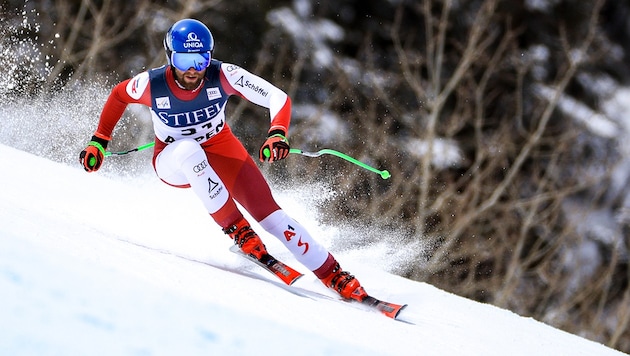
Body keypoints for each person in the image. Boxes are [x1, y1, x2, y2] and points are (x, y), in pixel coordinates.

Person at [79, 18, 367, 301]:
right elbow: (119, 96)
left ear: (210, 57)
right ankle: (240, 233)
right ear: (170, 58)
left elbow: (277, 97)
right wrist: (99, 141)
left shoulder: (224, 75)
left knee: (270, 214)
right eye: (183, 60)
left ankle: (335, 275)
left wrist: (277, 132)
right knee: (190, 150)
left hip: (220, 147)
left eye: (201, 60)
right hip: (173, 160)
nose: (192, 70)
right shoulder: (151, 84)